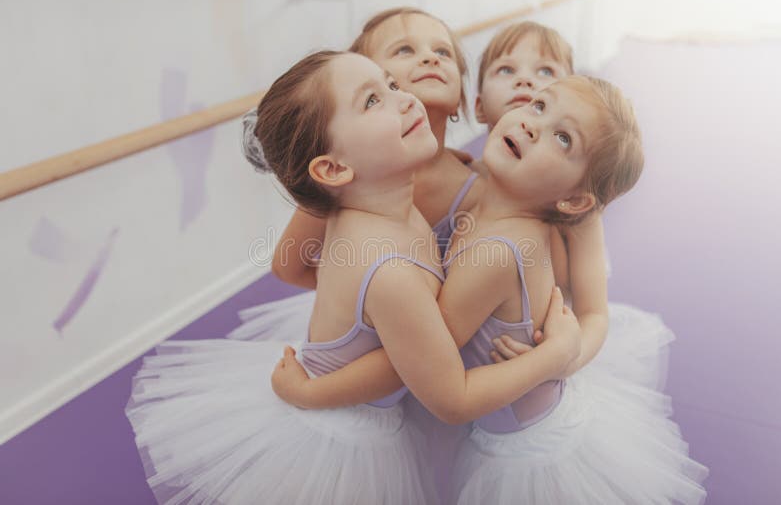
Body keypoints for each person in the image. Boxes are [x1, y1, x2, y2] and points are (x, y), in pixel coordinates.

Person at [126, 50, 582, 505]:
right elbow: (452, 400)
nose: (404, 100)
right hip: (343, 442)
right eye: (371, 101)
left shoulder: (368, 207)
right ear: (334, 168)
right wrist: (556, 355)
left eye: (392, 86)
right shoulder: (391, 274)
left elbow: (403, 342)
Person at [272, 75, 709, 504]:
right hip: (512, 424)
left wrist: (555, 357)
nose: (533, 124)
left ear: (574, 202)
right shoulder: (484, 210)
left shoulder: (500, 252)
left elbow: (426, 369)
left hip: (527, 454)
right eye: (539, 105)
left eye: (562, 138)